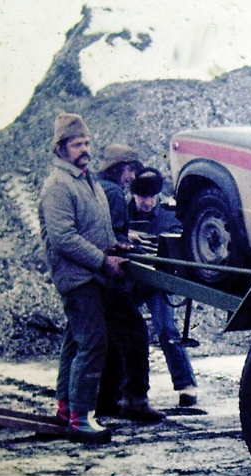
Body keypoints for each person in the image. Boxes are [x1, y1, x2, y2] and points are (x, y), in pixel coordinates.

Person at [40, 114, 164, 444]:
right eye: (76, 144)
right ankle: (81, 418)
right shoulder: (58, 186)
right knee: (93, 342)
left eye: (87, 143)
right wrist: (104, 261)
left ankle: (67, 408)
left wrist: (114, 244)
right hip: (78, 276)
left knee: (76, 341)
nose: (84, 149)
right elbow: (64, 238)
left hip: (92, 272)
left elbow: (95, 227)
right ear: (61, 148)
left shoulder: (86, 181)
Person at [93, 144, 158, 418]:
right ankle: (135, 400)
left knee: (113, 338)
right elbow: (111, 237)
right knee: (135, 334)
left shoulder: (97, 188)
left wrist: (125, 237)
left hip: (94, 276)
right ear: (120, 167)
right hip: (110, 277)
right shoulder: (115, 194)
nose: (132, 177)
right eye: (131, 170)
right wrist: (125, 244)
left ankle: (106, 399)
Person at [129, 167, 199, 407]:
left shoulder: (169, 216)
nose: (147, 202)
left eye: (151, 197)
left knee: (167, 330)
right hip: (128, 281)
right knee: (123, 333)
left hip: (157, 282)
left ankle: (186, 386)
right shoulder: (121, 214)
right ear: (133, 194)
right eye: (142, 197)